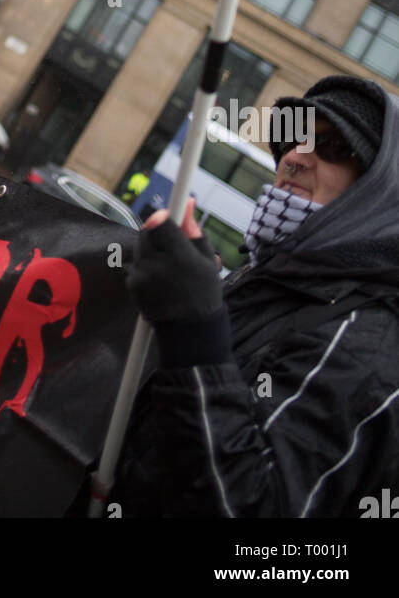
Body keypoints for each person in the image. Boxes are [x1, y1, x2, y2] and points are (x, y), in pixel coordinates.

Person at [109, 74, 399, 518]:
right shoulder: (272, 277)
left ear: (379, 191)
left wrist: (193, 325)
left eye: (335, 147)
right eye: (295, 136)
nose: (296, 157)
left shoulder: (367, 340)